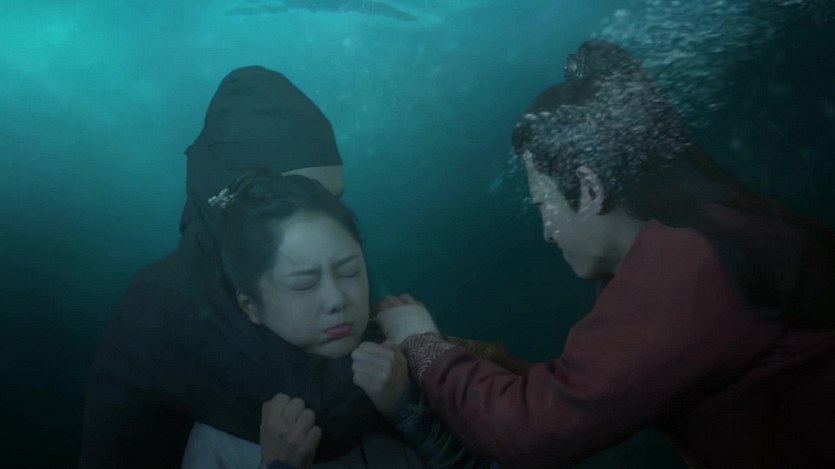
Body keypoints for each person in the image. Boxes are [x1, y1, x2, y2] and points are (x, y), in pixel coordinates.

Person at [376, 39, 835, 469]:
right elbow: (593, 387)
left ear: (590, 188)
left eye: (544, 206)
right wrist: (486, 358)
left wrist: (419, 343)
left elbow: (532, 430)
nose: (547, 233)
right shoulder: (705, 233)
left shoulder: (686, 268)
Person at [80, 65, 380, 468]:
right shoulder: (168, 299)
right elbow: (327, 414)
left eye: (332, 200)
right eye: (301, 196)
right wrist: (412, 341)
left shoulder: (255, 262)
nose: (326, 218)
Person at [179, 171, 496, 469]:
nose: (337, 300)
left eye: (349, 272)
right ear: (251, 306)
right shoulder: (220, 436)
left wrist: (409, 407)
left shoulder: (406, 363)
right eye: (304, 284)